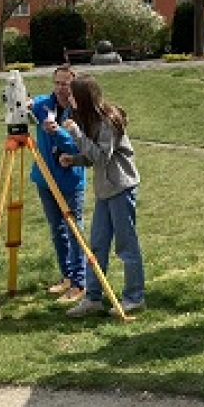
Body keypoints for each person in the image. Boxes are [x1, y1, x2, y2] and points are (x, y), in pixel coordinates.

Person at [58, 74, 145, 317]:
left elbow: (101, 157)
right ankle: (93, 298)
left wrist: (76, 134)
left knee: (126, 246)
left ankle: (134, 297)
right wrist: (74, 159)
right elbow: (91, 156)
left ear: (83, 97)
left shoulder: (108, 121)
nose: (69, 98)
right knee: (96, 246)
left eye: (73, 94)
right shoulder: (89, 119)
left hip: (120, 188)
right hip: (105, 191)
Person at [29, 65, 86, 305]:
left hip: (70, 179)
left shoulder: (80, 112)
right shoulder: (44, 104)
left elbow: (79, 148)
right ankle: (66, 275)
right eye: (58, 83)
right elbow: (30, 105)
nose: (61, 88)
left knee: (74, 230)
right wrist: (26, 102)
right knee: (57, 230)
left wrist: (57, 133)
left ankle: (79, 282)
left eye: (66, 84)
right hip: (45, 178)